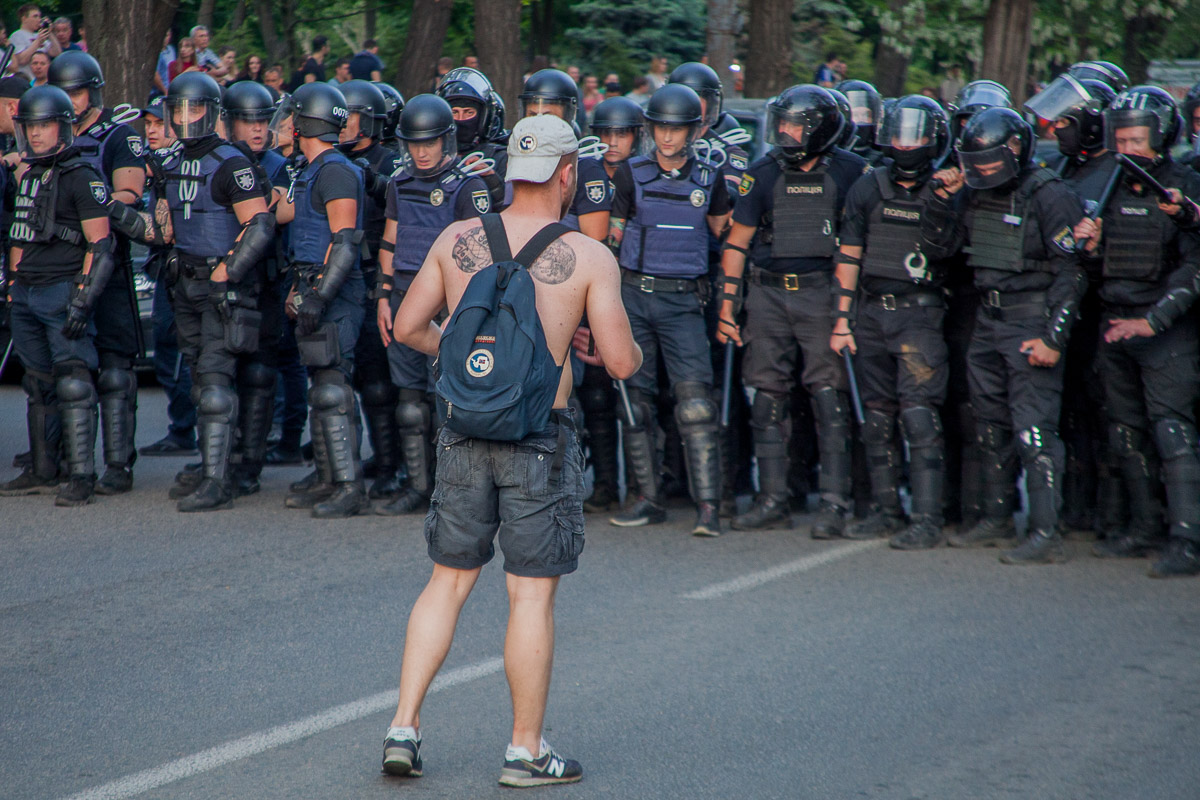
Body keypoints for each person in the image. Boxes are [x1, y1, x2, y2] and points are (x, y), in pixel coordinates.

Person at [381, 112, 641, 788]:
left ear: (507, 174)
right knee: (529, 598)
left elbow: (408, 326)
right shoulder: (588, 256)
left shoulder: (457, 236)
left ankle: (403, 727)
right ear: (567, 174)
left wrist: (469, 360)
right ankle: (525, 751)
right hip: (538, 440)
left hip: (463, 429)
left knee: (448, 581)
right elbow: (619, 361)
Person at [921, 107, 1086, 564]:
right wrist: (939, 199)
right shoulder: (974, 192)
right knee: (989, 426)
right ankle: (996, 518)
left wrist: (1054, 338)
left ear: (1015, 150)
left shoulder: (1050, 194)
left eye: (991, 164)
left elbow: (1071, 273)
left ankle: (1045, 532)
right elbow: (942, 251)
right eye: (977, 165)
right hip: (987, 323)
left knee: (1035, 433)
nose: (984, 172)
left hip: (1031, 321)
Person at [717, 85, 868, 534]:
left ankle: (835, 503)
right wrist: (727, 309)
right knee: (766, 398)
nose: (784, 132)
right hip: (767, 296)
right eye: (779, 123)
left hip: (822, 293)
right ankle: (773, 500)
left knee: (829, 398)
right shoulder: (761, 173)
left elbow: (856, 247)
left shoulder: (853, 172)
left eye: (794, 125)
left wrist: (843, 313)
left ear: (820, 129)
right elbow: (737, 243)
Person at [122, 73, 274, 511]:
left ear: (212, 112)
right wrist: (114, 211)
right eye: (180, 110)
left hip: (222, 287)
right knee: (197, 380)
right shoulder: (170, 163)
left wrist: (228, 272)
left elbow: (260, 224)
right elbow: (162, 230)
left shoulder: (232, 163)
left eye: (196, 109)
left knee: (214, 382)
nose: (186, 118)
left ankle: (217, 481)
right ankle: (215, 466)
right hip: (184, 283)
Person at [1073, 86, 1200, 577]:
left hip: (1164, 329)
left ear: (1162, 137)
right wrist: (1088, 245)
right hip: (1114, 323)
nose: (1127, 150)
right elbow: (1093, 264)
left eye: (1136, 140)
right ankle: (1144, 527)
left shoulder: (1185, 185)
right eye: (1119, 140)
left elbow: (1194, 268)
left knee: (1172, 432)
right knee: (1124, 431)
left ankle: (1186, 539)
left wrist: (1154, 320)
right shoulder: (1106, 189)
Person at [607, 83, 732, 535]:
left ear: (694, 131)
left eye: (676, 129)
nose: (667, 137)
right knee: (634, 404)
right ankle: (647, 499)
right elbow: (612, 240)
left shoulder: (710, 178)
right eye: (660, 127)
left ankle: (709, 508)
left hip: (683, 301)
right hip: (635, 297)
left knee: (696, 405)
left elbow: (726, 235)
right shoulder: (630, 174)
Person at [830, 95, 953, 549]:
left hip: (920, 317)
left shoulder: (947, 191)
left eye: (916, 136)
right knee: (877, 419)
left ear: (934, 139)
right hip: (871, 314)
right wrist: (842, 321)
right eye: (898, 134)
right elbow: (849, 254)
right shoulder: (868, 187)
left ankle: (927, 518)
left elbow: (949, 250)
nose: (905, 145)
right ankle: (885, 510)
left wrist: (944, 199)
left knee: (919, 418)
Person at [372, 94, 491, 514]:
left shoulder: (467, 185)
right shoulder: (400, 182)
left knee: (448, 403)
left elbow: (479, 259)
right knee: (409, 404)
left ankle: (455, 493)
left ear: (446, 139)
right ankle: (418, 487)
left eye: (430, 142)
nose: (422, 152)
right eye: (414, 143)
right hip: (404, 296)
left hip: (447, 303)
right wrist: (384, 295)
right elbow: (391, 238)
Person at [0, 85, 112, 504]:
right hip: (26, 293)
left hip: (63, 290)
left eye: (45, 125)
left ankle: (81, 476)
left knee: (74, 384)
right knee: (37, 384)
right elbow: (19, 234)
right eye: (31, 126)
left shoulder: (82, 175)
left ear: (63, 128)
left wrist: (83, 298)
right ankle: (45, 470)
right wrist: (13, 285)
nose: (38, 134)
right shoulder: (26, 174)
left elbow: (100, 246)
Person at [1024, 72, 1125, 538]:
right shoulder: (1062, 170)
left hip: (1108, 308)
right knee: (1071, 411)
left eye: (1065, 120)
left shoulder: (1120, 170)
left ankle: (1118, 514)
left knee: (1112, 415)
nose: (1054, 129)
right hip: (1065, 311)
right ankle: (1077, 508)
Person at [49, 51, 146, 495]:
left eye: (77, 91)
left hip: (106, 257)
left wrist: (90, 199)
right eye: (63, 93)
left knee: (115, 368)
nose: (70, 100)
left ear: (93, 90)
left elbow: (130, 192)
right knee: (66, 367)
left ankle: (118, 464)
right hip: (58, 263)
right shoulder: (47, 134)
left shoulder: (118, 136)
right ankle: (67, 459)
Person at [274, 82, 369, 518]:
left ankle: (350, 486)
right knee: (321, 387)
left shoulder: (335, 170)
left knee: (334, 388)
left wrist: (318, 296)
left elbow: (344, 242)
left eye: (293, 116)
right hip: (312, 284)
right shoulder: (310, 169)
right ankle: (330, 476)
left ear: (305, 121)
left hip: (335, 293)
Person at [336, 80, 407, 502]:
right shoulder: (329, 160)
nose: (342, 121)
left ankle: (394, 466)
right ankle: (369, 461)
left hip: (379, 279)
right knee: (355, 380)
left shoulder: (392, 162)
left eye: (351, 114)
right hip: (342, 278)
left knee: (385, 383)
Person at [575, 95, 644, 512]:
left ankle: (645, 486)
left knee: (638, 397)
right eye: (605, 133)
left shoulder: (645, 175)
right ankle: (604, 485)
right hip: (590, 293)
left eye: (621, 133)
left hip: (635, 294)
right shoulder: (584, 173)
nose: (612, 141)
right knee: (596, 396)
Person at [136, 95, 198, 457]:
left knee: (180, 352)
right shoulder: (154, 163)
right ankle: (182, 428)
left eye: (160, 124)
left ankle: (185, 430)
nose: (154, 131)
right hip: (165, 269)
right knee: (165, 347)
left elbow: (167, 229)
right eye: (149, 125)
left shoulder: (184, 163)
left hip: (188, 271)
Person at [834, 79, 885, 166]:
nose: (861, 120)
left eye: (866, 115)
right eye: (856, 115)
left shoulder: (883, 161)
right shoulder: (830, 160)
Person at [10, 5, 62, 79]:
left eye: (39, 16)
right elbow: (22, 60)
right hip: (27, 80)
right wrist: (38, 41)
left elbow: (57, 53)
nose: (39, 20)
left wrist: (49, 33)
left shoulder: (38, 35)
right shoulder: (17, 35)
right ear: (24, 19)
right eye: (35, 16)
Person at [153, 29, 177, 96]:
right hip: (158, 92)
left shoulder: (171, 50)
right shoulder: (155, 53)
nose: (164, 38)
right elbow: (155, 74)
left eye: (166, 35)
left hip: (170, 88)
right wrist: (164, 90)